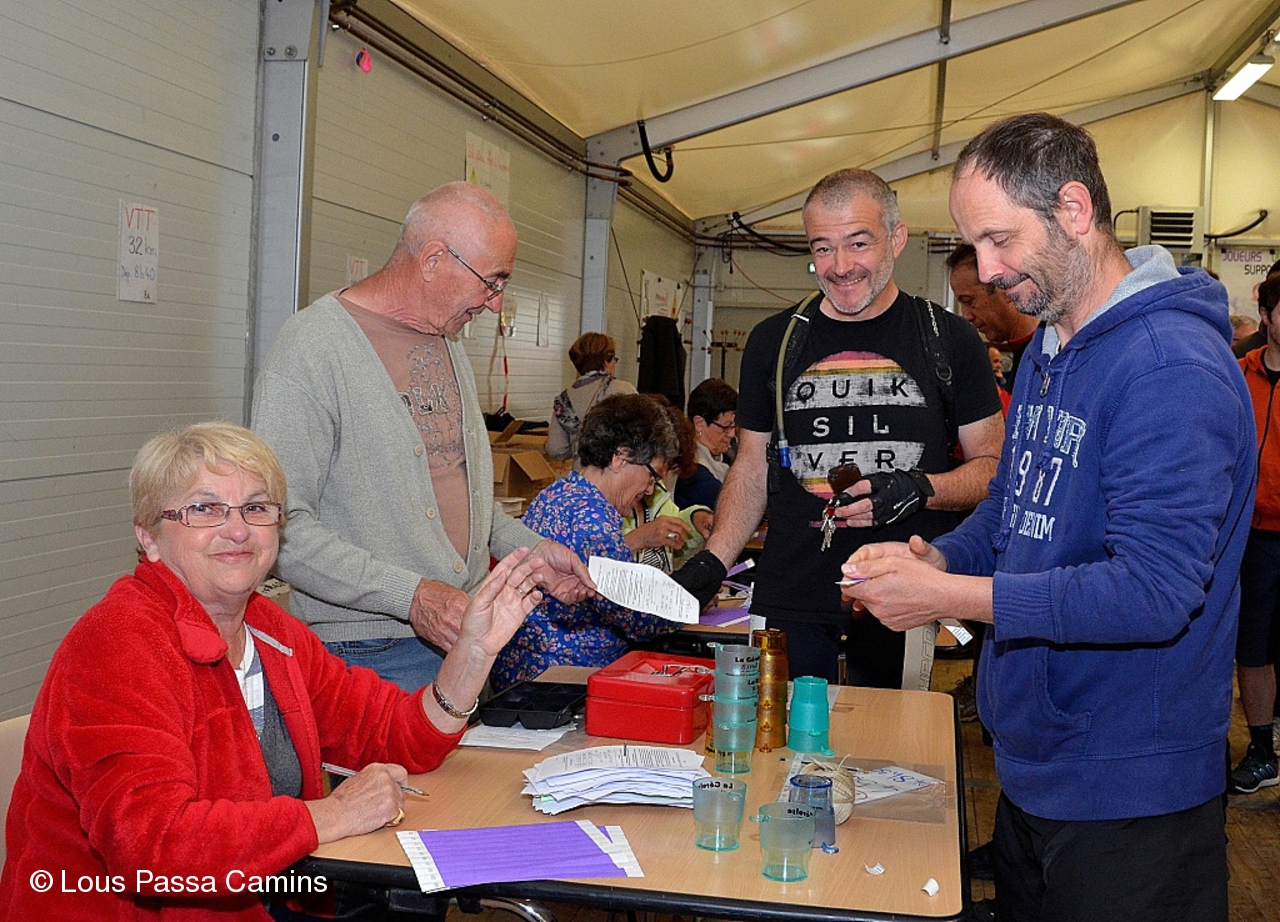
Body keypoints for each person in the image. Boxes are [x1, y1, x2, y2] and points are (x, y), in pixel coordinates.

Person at [841, 113, 1254, 922]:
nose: (988, 271)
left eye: (1000, 240)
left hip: (1133, 787)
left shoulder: (1168, 365)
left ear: (1073, 208)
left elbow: (1154, 592)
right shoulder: (1048, 350)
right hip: (1041, 763)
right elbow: (1013, 505)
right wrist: (942, 561)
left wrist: (951, 600)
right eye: (974, 244)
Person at [0, 422, 542, 921]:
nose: (238, 530)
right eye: (204, 509)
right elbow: (151, 843)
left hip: (264, 897)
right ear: (149, 537)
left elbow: (391, 733)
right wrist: (330, 815)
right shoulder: (117, 642)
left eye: (256, 508)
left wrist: (473, 653)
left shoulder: (268, 629)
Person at [252, 183, 591, 692]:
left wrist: (533, 553)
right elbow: (278, 526)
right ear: (433, 259)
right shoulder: (314, 348)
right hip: (370, 654)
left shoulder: (447, 343)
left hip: (461, 641)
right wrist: (409, 596)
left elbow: (466, 505)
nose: (495, 304)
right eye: (491, 282)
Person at [677, 168, 1005, 688]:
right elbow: (752, 466)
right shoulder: (773, 342)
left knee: (893, 739)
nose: (840, 266)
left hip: (901, 594)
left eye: (858, 243)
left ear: (896, 239)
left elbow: (994, 470)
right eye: (823, 248)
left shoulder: (949, 339)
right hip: (791, 595)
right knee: (779, 736)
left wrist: (921, 488)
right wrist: (714, 560)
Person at [491, 394, 682, 690]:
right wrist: (688, 600)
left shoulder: (558, 492)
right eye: (651, 476)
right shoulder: (594, 522)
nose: (648, 489)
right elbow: (638, 619)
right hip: (564, 679)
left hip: (522, 669)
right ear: (620, 458)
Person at [1230, 274, 1280, 794]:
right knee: (1252, 647)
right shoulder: (1238, 373)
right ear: (1266, 316)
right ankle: (1262, 749)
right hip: (1252, 537)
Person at [622, 398, 713, 573]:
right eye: (658, 469)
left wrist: (694, 520)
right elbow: (594, 564)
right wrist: (640, 538)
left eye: (670, 468)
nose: (662, 476)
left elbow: (670, 535)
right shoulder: (601, 502)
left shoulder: (657, 492)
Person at [947, 242, 1038, 395]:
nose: (966, 315)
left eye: (969, 301)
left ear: (1006, 288)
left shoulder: (1046, 361)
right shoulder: (1026, 359)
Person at [546, 332, 636, 462]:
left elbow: (556, 450)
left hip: (582, 472)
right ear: (606, 361)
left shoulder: (563, 399)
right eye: (614, 359)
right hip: (620, 471)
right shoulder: (624, 390)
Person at [674, 378, 737, 509]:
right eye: (726, 427)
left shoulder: (724, 458)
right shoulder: (693, 473)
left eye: (734, 426)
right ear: (699, 423)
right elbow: (735, 507)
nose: (732, 434)